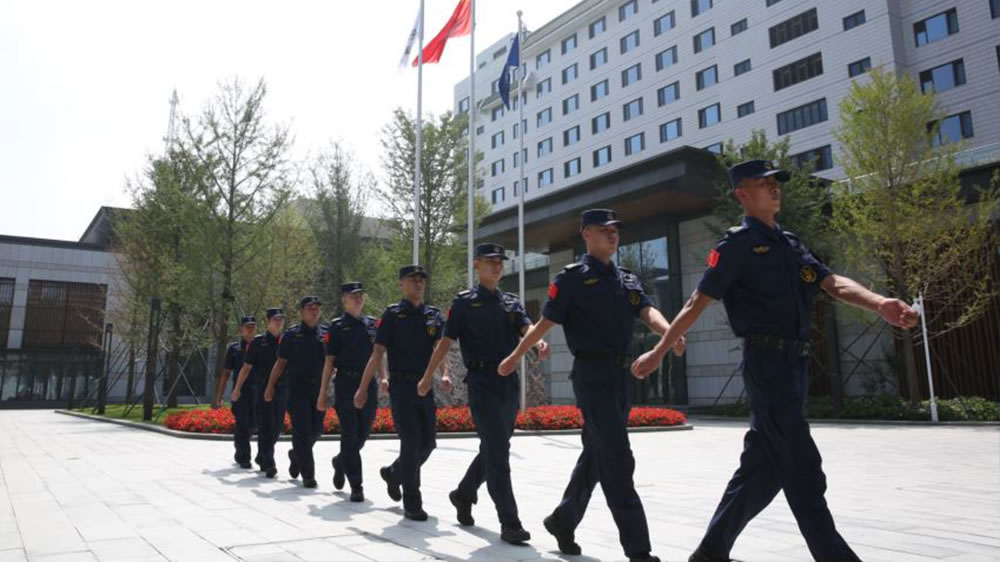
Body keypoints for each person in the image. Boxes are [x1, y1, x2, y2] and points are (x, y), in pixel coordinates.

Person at [630, 160, 920, 562]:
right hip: (766, 364)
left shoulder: (790, 242)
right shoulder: (736, 245)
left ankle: (710, 553)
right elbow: (698, 300)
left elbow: (831, 282)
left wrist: (879, 302)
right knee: (803, 467)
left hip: (795, 366)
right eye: (763, 183)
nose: (774, 188)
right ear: (742, 194)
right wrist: (660, 349)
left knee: (762, 470)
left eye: (775, 182)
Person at [499, 209, 684, 562]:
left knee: (598, 454)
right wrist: (516, 355)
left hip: (623, 377)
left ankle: (563, 519)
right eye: (604, 230)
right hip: (593, 376)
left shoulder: (626, 278)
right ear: (586, 233)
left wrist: (669, 332)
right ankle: (639, 550)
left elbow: (646, 310)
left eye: (616, 230)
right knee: (618, 458)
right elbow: (545, 323)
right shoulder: (572, 278)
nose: (613, 235)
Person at [421, 243, 550, 545]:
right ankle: (510, 523)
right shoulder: (464, 303)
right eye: (490, 261)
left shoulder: (511, 302)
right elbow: (445, 341)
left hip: (508, 382)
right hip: (481, 382)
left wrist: (538, 343)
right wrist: (429, 376)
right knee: (498, 452)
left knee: (496, 447)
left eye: (500, 262)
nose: (497, 266)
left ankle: (464, 493)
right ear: (476, 264)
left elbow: (526, 327)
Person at [354, 265, 449, 521]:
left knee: (428, 444)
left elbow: (439, 348)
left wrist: (445, 373)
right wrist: (363, 387)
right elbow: (378, 352)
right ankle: (412, 502)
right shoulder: (393, 315)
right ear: (401, 284)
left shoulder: (432, 316)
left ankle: (394, 473)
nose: (418, 283)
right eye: (412, 279)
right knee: (410, 443)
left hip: (424, 385)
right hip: (402, 387)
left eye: (421, 280)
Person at [317, 282, 387, 502]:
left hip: (369, 384)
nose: (358, 299)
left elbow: (379, 354)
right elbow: (329, 362)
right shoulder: (336, 327)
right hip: (345, 384)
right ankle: (357, 485)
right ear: (344, 300)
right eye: (352, 296)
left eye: (360, 295)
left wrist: (384, 376)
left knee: (363, 434)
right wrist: (323, 393)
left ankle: (340, 461)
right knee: (349, 433)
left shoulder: (372, 324)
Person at [264, 296, 327, 488]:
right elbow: (280, 363)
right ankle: (309, 475)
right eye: (310, 308)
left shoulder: (326, 333)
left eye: (316, 308)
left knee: (317, 429)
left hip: (318, 388)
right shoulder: (291, 335)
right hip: (297, 388)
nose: (314, 311)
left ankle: (296, 454)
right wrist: (270, 386)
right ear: (301, 311)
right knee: (302, 430)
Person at [233, 308, 285, 478]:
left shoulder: (287, 340)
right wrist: (237, 388)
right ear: (268, 321)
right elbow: (246, 367)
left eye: (281, 319)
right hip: (262, 389)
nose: (279, 322)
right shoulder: (258, 342)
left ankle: (262, 455)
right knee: (266, 426)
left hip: (282, 389)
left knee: (277, 427)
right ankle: (269, 462)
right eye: (275, 319)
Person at [214, 316, 257, 469]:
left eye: (253, 326)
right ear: (241, 330)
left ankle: (241, 444)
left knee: (254, 424)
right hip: (240, 391)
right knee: (242, 423)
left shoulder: (261, 345)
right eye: (247, 327)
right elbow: (226, 372)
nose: (250, 329)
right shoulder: (234, 348)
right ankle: (243, 456)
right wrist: (219, 395)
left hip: (258, 390)